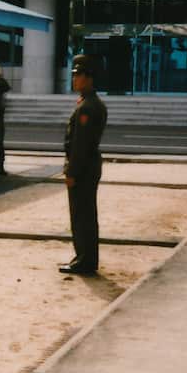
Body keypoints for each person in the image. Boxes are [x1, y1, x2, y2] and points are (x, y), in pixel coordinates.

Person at [61, 53, 108, 275]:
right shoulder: (89, 103)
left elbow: (80, 145)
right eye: (74, 75)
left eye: (78, 75)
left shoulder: (88, 107)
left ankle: (85, 261)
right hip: (88, 166)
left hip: (83, 168)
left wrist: (71, 171)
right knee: (85, 214)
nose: (75, 80)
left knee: (82, 216)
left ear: (89, 78)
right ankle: (84, 258)